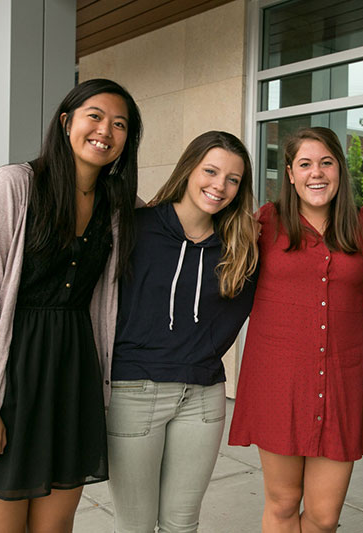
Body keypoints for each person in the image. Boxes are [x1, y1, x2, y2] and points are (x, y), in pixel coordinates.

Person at [0, 78, 143, 532]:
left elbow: (175, 223)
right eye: (96, 116)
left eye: (120, 124)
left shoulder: (118, 205)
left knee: (55, 529)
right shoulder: (15, 185)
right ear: (66, 122)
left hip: (74, 377)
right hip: (11, 377)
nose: (106, 130)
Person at [229, 126, 363, 533]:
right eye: (305, 164)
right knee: (282, 504)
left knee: (324, 516)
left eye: (327, 162)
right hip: (278, 384)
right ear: (291, 174)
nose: (317, 173)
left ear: (341, 170)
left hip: (340, 384)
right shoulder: (265, 223)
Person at [106, 130, 259, 532]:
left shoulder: (239, 246)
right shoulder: (134, 228)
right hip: (134, 392)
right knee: (134, 525)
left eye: (233, 179)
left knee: (181, 523)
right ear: (189, 169)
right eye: (211, 171)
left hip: (203, 396)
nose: (219, 186)